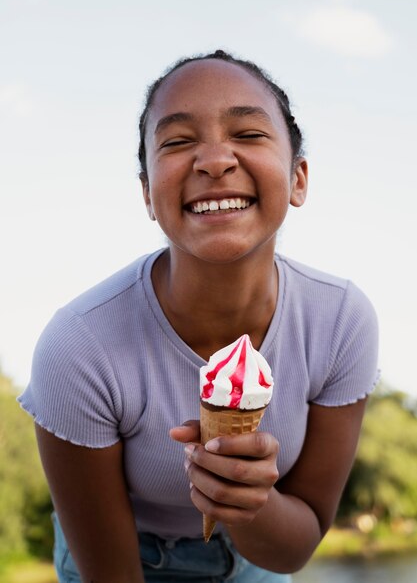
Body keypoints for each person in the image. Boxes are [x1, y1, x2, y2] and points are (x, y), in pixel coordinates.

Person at [18, 50, 379, 583]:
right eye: (178, 141)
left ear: (298, 178)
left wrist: (246, 501)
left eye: (250, 134)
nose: (214, 160)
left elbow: (294, 550)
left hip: (257, 563)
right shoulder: (80, 346)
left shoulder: (341, 321)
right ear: (148, 194)